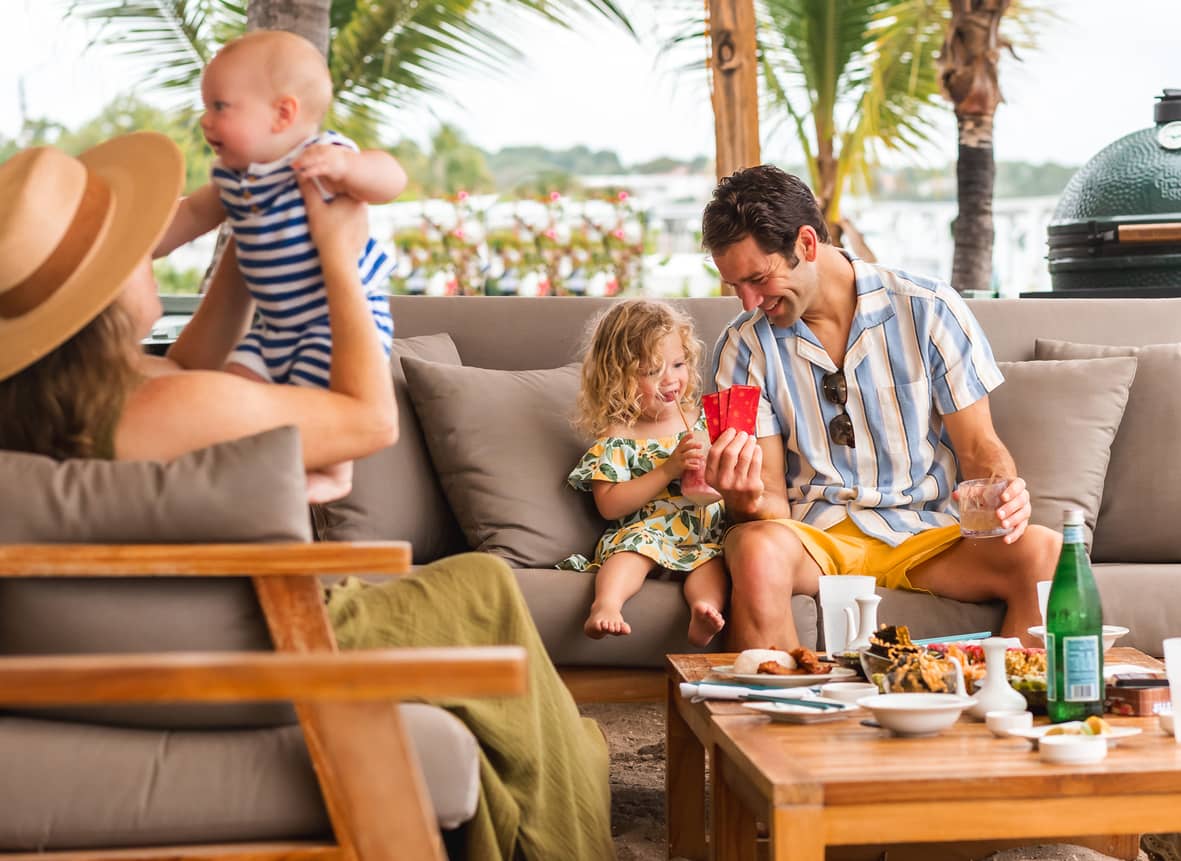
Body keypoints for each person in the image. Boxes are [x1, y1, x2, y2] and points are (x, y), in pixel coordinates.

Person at [0, 133, 612, 861]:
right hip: (263, 651)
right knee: (480, 587)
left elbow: (191, 362)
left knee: (482, 618)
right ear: (99, 297)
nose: (153, 254)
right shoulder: (170, 409)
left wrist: (242, 252)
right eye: (133, 251)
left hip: (134, 654)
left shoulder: (65, 408)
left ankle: (557, 770)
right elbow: (368, 419)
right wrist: (338, 260)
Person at [699, 164, 1061, 650]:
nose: (748, 301)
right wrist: (738, 495)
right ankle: (785, 717)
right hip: (815, 539)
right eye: (735, 286)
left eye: (758, 278)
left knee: (1043, 552)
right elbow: (767, 506)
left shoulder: (930, 308)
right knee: (754, 548)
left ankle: (1003, 711)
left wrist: (1002, 492)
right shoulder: (741, 347)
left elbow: (980, 449)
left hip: (925, 534)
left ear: (805, 244)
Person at [153, 29, 407, 493]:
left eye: (219, 107)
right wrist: (136, 246)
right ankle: (266, 478)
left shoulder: (321, 158)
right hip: (275, 327)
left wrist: (348, 169)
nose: (205, 121)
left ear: (283, 113)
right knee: (235, 386)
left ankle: (333, 474)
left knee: (323, 406)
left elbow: (391, 177)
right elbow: (191, 213)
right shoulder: (235, 179)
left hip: (335, 326)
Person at [558, 299, 729, 647]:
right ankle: (606, 605)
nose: (671, 379)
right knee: (629, 554)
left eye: (678, 364)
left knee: (715, 563)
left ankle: (704, 610)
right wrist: (668, 469)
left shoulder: (702, 420)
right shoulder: (620, 435)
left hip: (704, 535)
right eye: (652, 371)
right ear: (618, 376)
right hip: (646, 532)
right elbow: (609, 505)